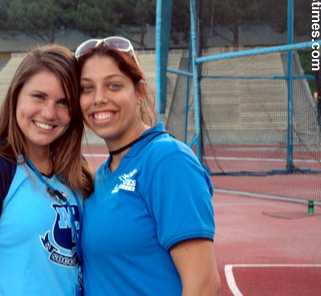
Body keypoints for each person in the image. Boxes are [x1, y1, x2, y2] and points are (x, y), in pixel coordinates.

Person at [75, 37, 221, 296]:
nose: (98, 98)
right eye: (86, 88)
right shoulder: (101, 177)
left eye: (114, 85)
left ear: (139, 91)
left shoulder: (167, 160)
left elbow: (203, 285)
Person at [0, 44, 94, 295]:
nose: (49, 113)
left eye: (63, 103)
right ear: (16, 95)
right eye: (39, 96)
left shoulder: (74, 170)